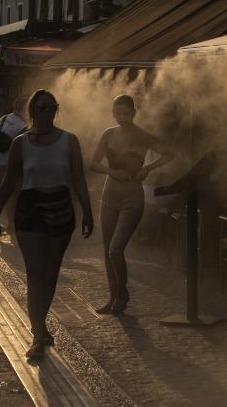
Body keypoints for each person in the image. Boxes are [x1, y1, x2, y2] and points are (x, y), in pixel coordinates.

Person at [0, 89, 94, 361]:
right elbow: (9, 181)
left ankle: (41, 326)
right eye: (40, 108)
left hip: (60, 208)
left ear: (56, 110)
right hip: (30, 209)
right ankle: (38, 333)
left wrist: (88, 211)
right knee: (34, 273)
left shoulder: (69, 141)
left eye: (50, 107)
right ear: (32, 111)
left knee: (50, 273)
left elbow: (79, 180)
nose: (46, 112)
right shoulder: (20, 143)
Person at [90, 94, 174, 314]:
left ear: (134, 113)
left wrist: (148, 168)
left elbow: (169, 154)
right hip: (109, 195)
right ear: (113, 113)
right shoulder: (108, 134)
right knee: (107, 249)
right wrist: (111, 171)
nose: (122, 118)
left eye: (126, 113)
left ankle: (122, 292)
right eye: (118, 113)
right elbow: (94, 163)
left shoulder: (143, 136)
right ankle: (113, 297)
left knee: (116, 249)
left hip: (132, 197)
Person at [0, 97, 27, 234]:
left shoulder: (3, 119)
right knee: (11, 194)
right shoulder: (22, 125)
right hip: (7, 163)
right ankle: (11, 225)